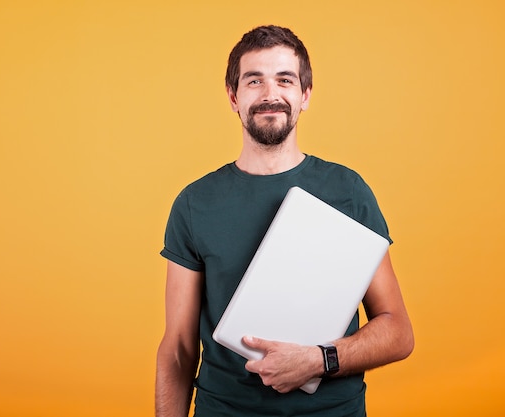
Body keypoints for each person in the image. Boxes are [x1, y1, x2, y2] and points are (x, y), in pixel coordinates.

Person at [155, 25, 414, 417]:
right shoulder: (194, 203)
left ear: (305, 95)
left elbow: (397, 332)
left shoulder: (348, 191)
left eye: (285, 80)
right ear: (233, 96)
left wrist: (317, 360)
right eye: (254, 80)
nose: (269, 94)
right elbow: (178, 348)